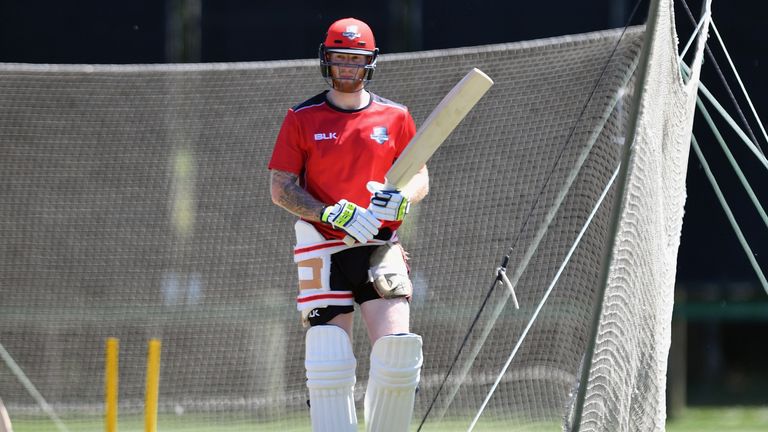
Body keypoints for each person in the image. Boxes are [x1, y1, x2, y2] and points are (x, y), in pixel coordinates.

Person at [268, 17, 428, 432]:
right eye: (339, 59)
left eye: (354, 61)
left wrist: (402, 197)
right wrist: (330, 212)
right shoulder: (302, 118)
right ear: (326, 60)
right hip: (323, 247)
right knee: (329, 360)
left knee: (397, 356)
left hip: (379, 246)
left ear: (369, 64)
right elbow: (281, 188)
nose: (346, 69)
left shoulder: (396, 116)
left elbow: (419, 176)